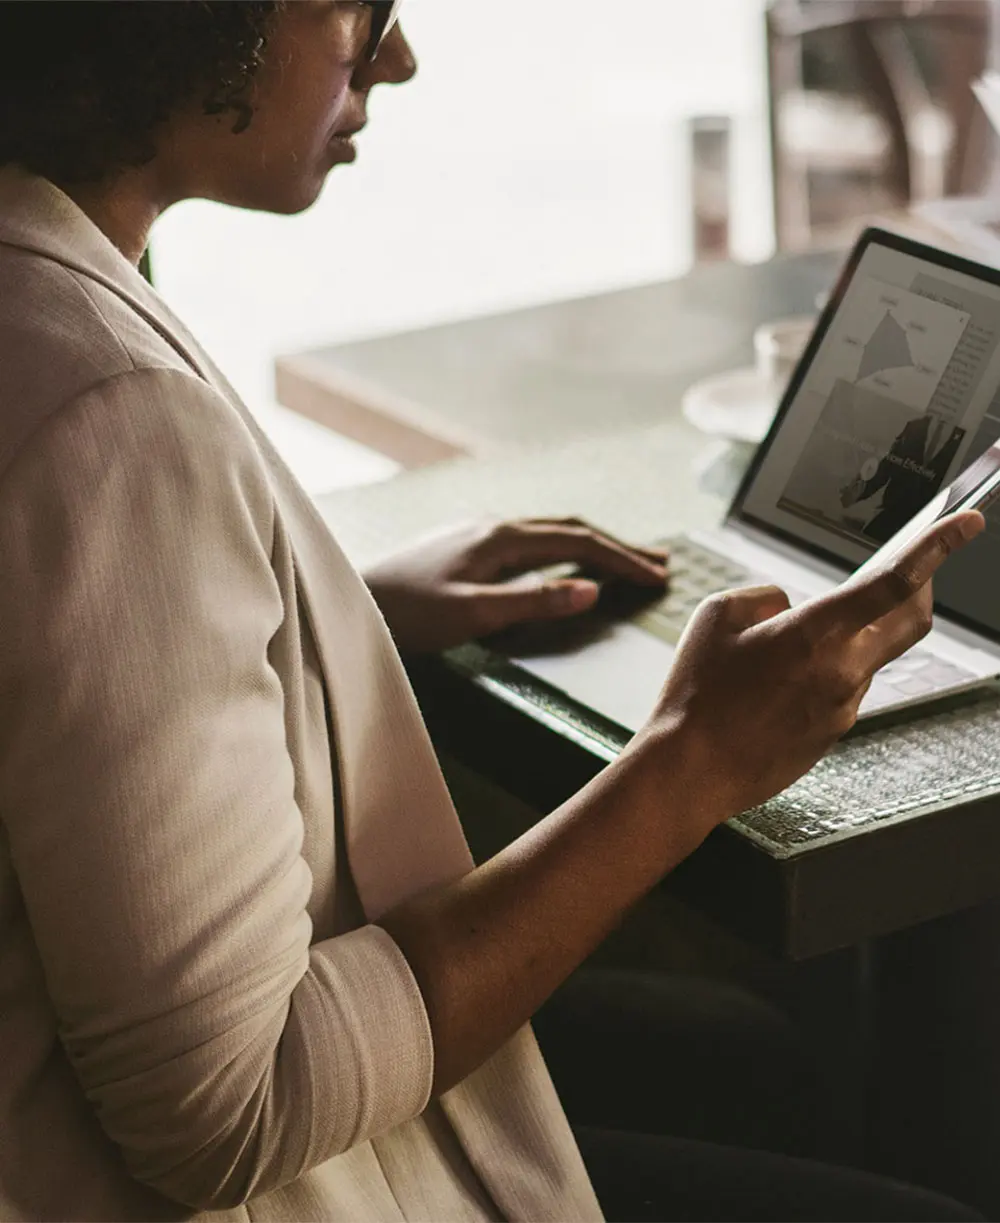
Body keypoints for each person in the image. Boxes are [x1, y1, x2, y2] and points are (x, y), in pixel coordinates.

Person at [0, 4, 985, 1221]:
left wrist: (321, 626)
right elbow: (230, 1113)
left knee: (768, 1062)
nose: (398, 58)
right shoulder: (109, 416)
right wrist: (689, 764)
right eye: (362, 10)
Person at [841, 409, 965, 543]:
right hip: (889, 518)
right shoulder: (915, 426)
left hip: (924, 528)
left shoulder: (963, 440)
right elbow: (888, 465)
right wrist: (859, 492)